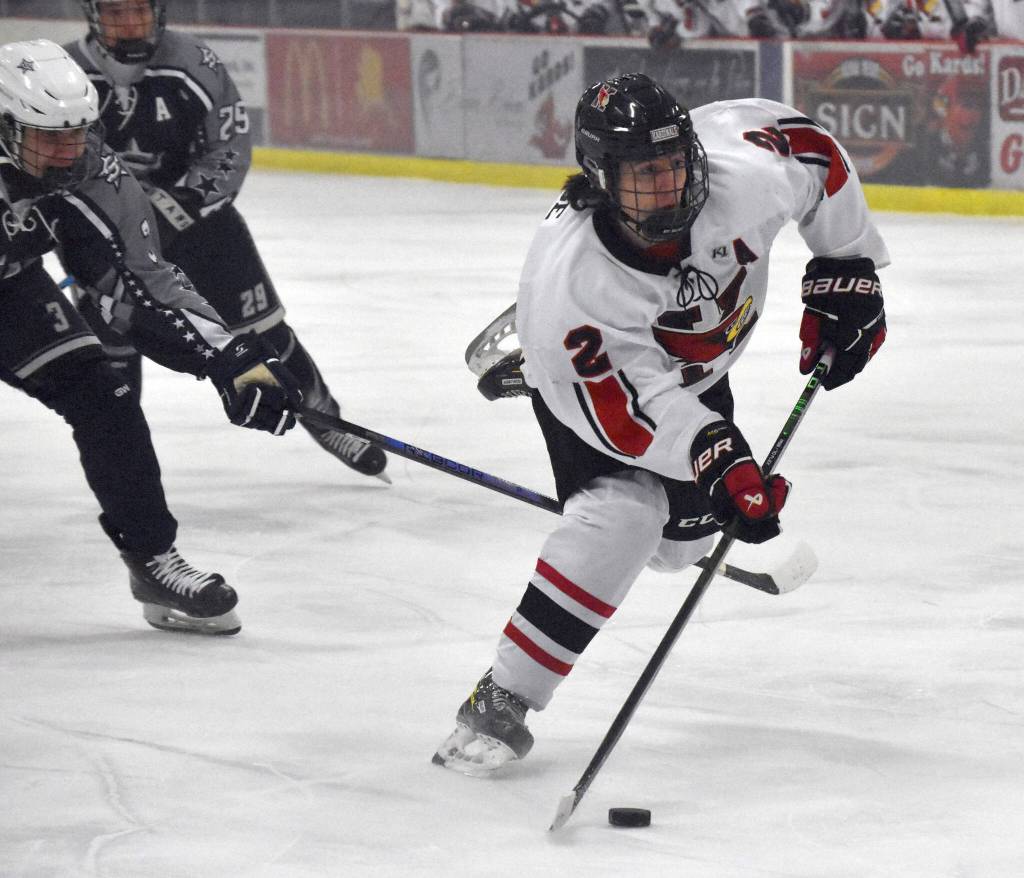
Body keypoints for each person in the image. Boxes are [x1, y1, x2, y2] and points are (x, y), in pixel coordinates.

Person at [434, 73, 888, 774]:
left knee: (679, 549)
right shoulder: (578, 290)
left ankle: (560, 373)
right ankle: (506, 694)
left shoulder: (744, 176)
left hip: (696, 367)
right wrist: (717, 455)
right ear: (600, 178)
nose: (668, 187)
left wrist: (845, 262)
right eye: (644, 175)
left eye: (674, 164)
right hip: (596, 382)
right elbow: (634, 421)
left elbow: (812, 149)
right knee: (625, 517)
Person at [1, 39, 302, 635]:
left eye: (79, 133)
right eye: (51, 137)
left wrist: (233, 358)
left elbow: (145, 278)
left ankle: (151, 558)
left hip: (12, 287)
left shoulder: (92, 167)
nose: (71, 151)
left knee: (103, 397)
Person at [64, 0, 388, 481]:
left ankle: (325, 418)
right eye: (116, 14)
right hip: (105, 242)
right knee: (110, 364)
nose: (131, 25)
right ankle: (130, 485)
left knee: (265, 334)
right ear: (93, 17)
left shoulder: (197, 64)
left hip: (201, 230)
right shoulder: (64, 75)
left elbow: (230, 150)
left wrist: (170, 209)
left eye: (140, 12)